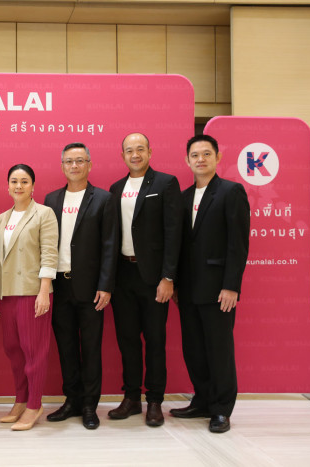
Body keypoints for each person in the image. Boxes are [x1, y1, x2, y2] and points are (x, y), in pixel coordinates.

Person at [171, 134, 249, 434]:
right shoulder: (183, 197)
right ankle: (202, 401)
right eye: (195, 155)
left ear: (218, 157)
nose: (200, 159)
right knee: (194, 349)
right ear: (187, 160)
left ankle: (221, 409)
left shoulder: (231, 192)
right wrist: (175, 284)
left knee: (219, 351)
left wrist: (231, 286)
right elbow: (180, 246)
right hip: (188, 290)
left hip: (219, 290)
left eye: (206, 154)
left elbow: (238, 244)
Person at [108, 132, 182, 427]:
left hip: (154, 278)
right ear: (123, 155)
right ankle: (131, 398)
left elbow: (174, 233)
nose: (135, 154)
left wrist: (168, 277)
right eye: (129, 150)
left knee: (155, 340)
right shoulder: (116, 188)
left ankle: (154, 400)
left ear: (150, 152)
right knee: (127, 340)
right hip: (122, 276)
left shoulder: (166, 183)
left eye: (140, 149)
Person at [43, 144, 117, 430]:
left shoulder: (103, 199)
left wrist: (105, 285)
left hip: (91, 288)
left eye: (80, 160)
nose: (74, 166)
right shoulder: (51, 199)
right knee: (66, 347)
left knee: (91, 348)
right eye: (69, 161)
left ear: (89, 164)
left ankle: (89, 405)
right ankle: (72, 400)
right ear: (62, 165)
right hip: (59, 285)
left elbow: (109, 245)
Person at [0, 164, 59, 431]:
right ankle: (21, 400)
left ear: (33, 186)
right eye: (14, 181)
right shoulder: (3, 217)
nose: (18, 186)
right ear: (7, 186)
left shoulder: (44, 213)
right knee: (13, 349)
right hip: (8, 293)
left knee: (34, 352)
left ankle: (34, 404)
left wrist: (44, 290)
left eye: (24, 181)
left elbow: (49, 253)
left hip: (33, 292)